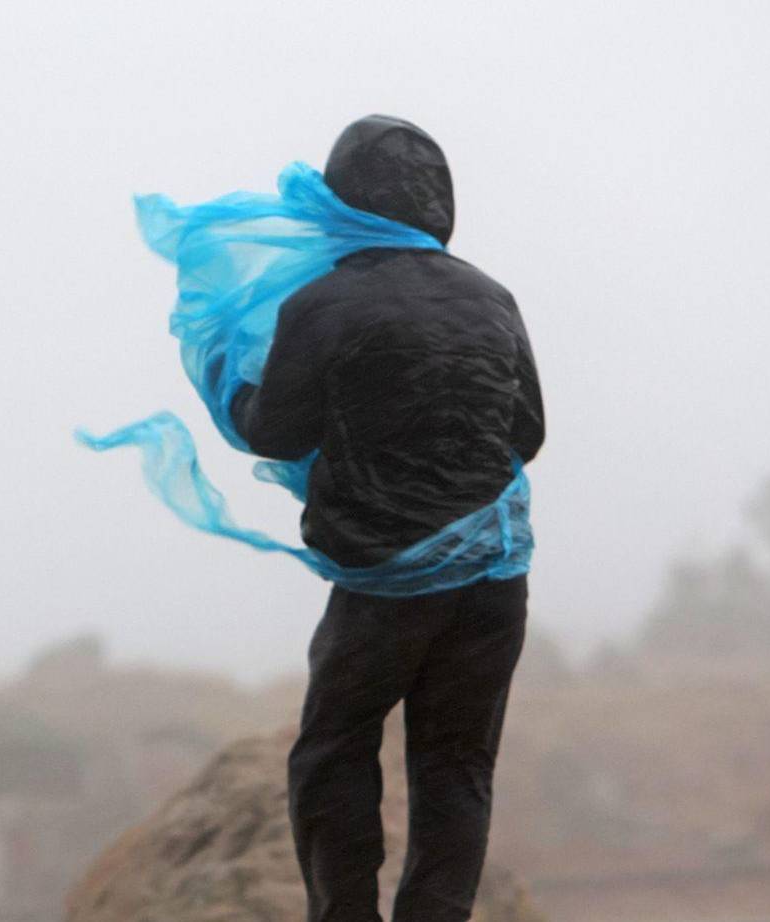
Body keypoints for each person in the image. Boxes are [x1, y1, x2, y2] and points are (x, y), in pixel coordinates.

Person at [231, 116, 544, 922]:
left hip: (388, 582)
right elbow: (529, 433)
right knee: (457, 765)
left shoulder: (323, 303)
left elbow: (276, 432)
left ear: (342, 200)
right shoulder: (491, 297)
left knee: (333, 749)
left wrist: (231, 385)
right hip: (494, 576)